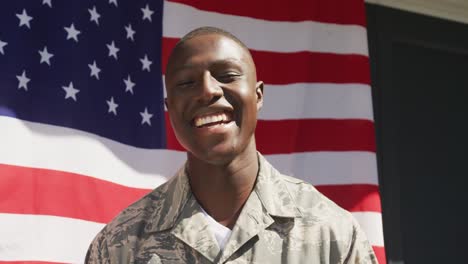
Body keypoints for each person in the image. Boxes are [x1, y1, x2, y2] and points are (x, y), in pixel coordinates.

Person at [85, 27, 378, 264]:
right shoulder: (119, 246)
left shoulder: (332, 234)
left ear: (258, 95)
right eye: (187, 83)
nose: (208, 91)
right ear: (169, 108)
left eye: (227, 76)